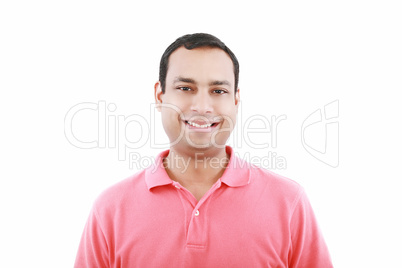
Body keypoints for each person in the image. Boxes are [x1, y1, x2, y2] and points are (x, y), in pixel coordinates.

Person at [74, 33, 333, 268]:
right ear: (160, 95)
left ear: (235, 100)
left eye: (218, 91)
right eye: (185, 88)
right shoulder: (110, 210)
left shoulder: (289, 203)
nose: (202, 106)